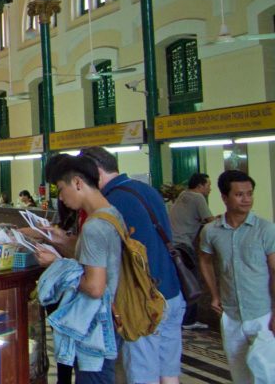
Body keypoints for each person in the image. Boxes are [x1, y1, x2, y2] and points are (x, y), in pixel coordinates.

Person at [78, 146, 182, 384]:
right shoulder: (147, 190)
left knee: (142, 374)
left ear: (95, 171)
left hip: (142, 301)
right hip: (171, 292)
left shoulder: (111, 203)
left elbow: (103, 258)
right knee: (169, 373)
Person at [35, 154, 123, 383]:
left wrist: (56, 264)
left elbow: (94, 287)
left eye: (61, 189)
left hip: (96, 324)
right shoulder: (112, 214)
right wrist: (62, 241)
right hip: (111, 317)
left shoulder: (94, 227)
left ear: (77, 183)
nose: (61, 198)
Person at [198, 170, 275, 384]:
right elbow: (204, 259)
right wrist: (214, 294)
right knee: (239, 373)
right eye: (239, 194)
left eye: (250, 194)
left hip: (263, 314)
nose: (246, 199)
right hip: (230, 314)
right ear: (224, 197)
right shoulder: (211, 231)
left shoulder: (265, 229)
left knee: (267, 374)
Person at [169, 172, 214, 330]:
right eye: (208, 185)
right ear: (200, 185)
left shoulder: (183, 194)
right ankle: (189, 320)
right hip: (183, 246)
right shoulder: (198, 198)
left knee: (181, 282)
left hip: (172, 244)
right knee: (191, 283)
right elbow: (210, 222)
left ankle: (181, 318)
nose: (210, 188)